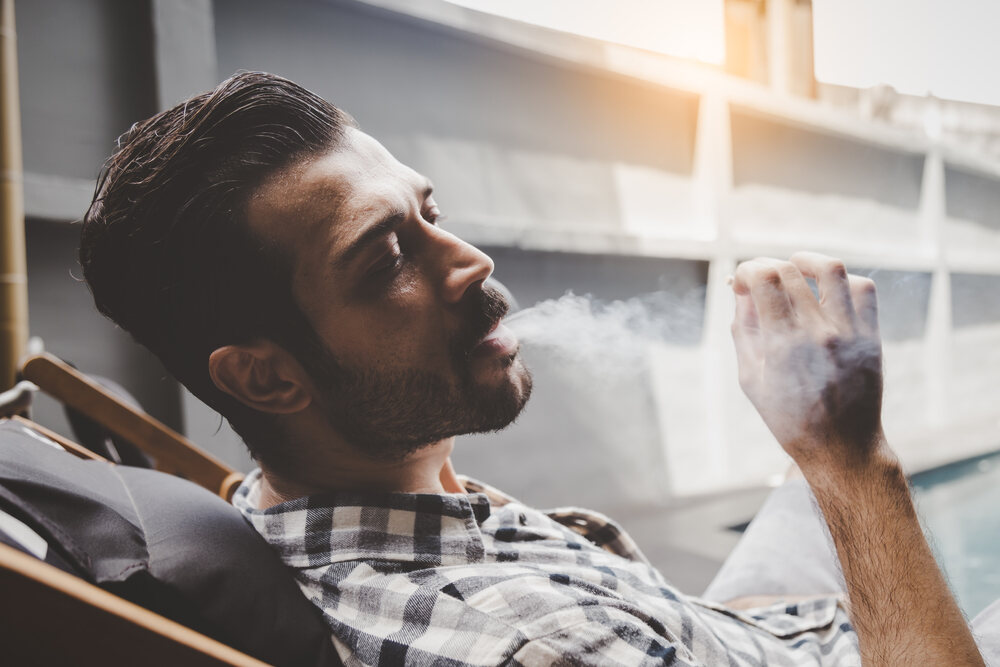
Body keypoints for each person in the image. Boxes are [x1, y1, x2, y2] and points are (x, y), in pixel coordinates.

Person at [79, 72, 992, 666]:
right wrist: (851, 463)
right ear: (269, 379)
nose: (468, 258)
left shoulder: (294, 505)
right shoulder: (524, 645)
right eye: (386, 257)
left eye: (428, 210)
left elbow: (658, 621)